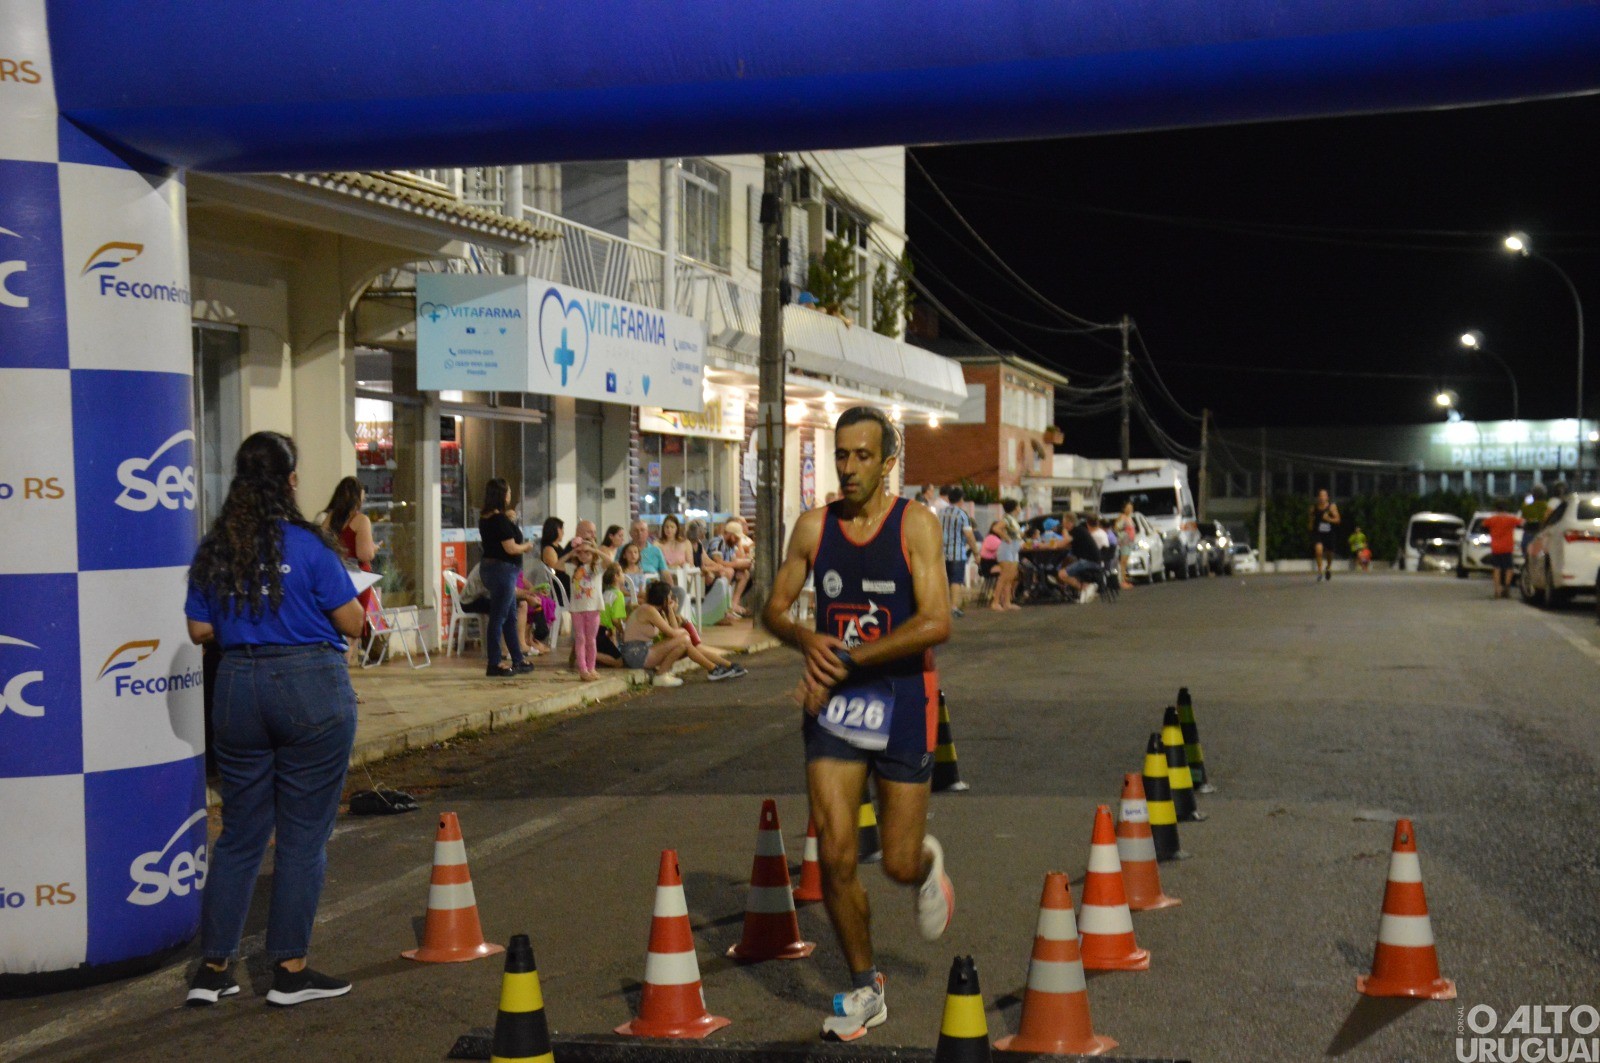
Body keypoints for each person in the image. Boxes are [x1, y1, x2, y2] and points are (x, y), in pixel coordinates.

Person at [763, 405, 955, 1042]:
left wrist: (849, 656)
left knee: (894, 863)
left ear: (888, 461)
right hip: (835, 707)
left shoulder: (916, 526)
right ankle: (867, 986)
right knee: (837, 855)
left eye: (862, 456)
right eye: (841, 455)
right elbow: (773, 608)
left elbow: (936, 623)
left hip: (902, 699)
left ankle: (926, 868)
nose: (847, 468)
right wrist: (801, 637)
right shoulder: (815, 528)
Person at [182, 431, 363, 1008]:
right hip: (309, 684)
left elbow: (197, 630)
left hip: (236, 689)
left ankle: (213, 970)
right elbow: (354, 622)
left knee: (239, 834)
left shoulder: (218, 547)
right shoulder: (310, 546)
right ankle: (289, 969)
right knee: (303, 836)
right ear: (289, 482)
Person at [481, 479, 537, 677]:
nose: (510, 496)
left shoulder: (487, 518)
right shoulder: (498, 520)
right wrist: (527, 547)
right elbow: (510, 547)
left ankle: (518, 658)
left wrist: (510, 519)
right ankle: (494, 662)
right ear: (502, 495)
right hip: (502, 571)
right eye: (508, 492)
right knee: (499, 617)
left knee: (509, 617)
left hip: (493, 569)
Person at [663, 588, 746, 680]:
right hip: (660, 652)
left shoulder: (675, 616)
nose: (674, 603)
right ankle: (715, 668)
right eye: (670, 598)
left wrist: (678, 617)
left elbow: (695, 640)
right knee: (690, 647)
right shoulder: (661, 614)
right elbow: (675, 634)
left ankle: (728, 666)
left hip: (670, 647)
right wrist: (671, 611)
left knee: (696, 647)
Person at [618, 580, 689, 686]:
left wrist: (669, 610)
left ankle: (664, 673)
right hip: (636, 654)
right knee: (685, 639)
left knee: (682, 645)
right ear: (663, 598)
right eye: (669, 596)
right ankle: (660, 677)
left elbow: (673, 629)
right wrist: (685, 631)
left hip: (644, 650)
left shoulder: (656, 610)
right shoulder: (648, 610)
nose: (671, 599)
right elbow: (673, 634)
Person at [566, 538, 606, 680]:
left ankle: (591, 667)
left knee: (591, 639)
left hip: (593, 608)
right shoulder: (573, 568)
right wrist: (571, 553)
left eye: (587, 552)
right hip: (577, 609)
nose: (584, 555)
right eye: (581, 552)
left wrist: (595, 550)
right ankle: (583, 669)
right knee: (580, 638)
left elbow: (611, 563)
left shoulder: (597, 568)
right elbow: (556, 564)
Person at [939, 486, 981, 618]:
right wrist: (976, 553)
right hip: (957, 553)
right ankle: (954, 607)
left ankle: (943, 608)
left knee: (944, 581)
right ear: (961, 500)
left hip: (941, 553)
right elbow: (969, 535)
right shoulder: (962, 514)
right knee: (955, 581)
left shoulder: (940, 513)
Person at [709, 517, 754, 618]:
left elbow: (737, 558)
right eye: (736, 537)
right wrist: (736, 565)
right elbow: (717, 561)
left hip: (727, 570)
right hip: (715, 571)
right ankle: (723, 607)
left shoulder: (730, 545)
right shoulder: (718, 542)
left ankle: (734, 604)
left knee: (744, 574)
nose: (737, 540)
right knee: (729, 571)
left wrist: (741, 562)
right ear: (729, 534)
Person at [1481, 498, 1524, 599]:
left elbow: (1483, 524)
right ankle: (1507, 587)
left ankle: (1497, 591)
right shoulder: (1511, 519)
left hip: (1496, 547)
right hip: (1507, 547)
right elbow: (1522, 523)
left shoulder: (1492, 519)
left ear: (1496, 509)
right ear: (1506, 508)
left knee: (1496, 568)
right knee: (1509, 568)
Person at [1056, 511, 1102, 604]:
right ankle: (1086, 590)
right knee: (1068, 564)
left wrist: (1064, 532)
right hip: (1094, 560)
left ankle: (1086, 588)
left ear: (1069, 522)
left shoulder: (1075, 531)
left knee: (1062, 574)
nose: (1063, 525)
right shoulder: (1081, 530)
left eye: (1064, 522)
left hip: (1088, 561)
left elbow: (1063, 543)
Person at [595, 563, 629, 668]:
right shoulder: (618, 595)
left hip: (596, 630)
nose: (624, 575)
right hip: (600, 632)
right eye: (622, 573)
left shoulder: (606, 593)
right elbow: (615, 620)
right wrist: (623, 632)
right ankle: (588, 654)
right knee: (620, 662)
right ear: (616, 577)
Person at [995, 499, 1024, 609]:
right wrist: (1006, 538)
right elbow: (996, 528)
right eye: (1019, 505)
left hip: (1013, 550)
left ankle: (1007, 602)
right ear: (1015, 507)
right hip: (1007, 549)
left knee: (1011, 576)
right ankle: (996, 602)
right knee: (1004, 576)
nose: (1020, 508)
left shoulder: (1013, 519)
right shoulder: (1007, 519)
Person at [1308, 489, 1340, 582]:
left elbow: (1338, 520)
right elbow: (1310, 522)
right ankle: (1319, 571)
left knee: (1329, 554)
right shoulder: (1313, 508)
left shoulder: (1331, 507)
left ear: (1327, 497)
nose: (1322, 498)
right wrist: (1310, 524)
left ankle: (1328, 568)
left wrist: (1328, 518)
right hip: (1318, 534)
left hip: (1329, 534)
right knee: (1318, 551)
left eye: (1324, 496)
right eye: (1320, 496)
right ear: (1318, 498)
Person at [538, 517, 570, 599]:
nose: (563, 532)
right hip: (558, 585)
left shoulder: (558, 547)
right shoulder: (549, 549)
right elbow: (555, 569)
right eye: (561, 529)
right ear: (554, 529)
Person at [1521, 482, 1549, 559]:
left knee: (1525, 552)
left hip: (1528, 532)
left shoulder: (1528, 503)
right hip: (1540, 532)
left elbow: (1524, 514)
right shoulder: (1546, 505)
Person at [1114, 500, 1137, 589]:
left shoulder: (1129, 517)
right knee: (1123, 562)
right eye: (1128, 508)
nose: (1130, 509)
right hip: (1125, 541)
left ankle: (1124, 579)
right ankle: (1122, 581)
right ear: (1124, 509)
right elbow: (1117, 527)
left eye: (1131, 507)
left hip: (1129, 542)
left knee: (1125, 561)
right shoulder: (1123, 517)